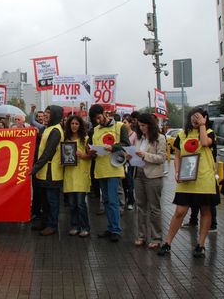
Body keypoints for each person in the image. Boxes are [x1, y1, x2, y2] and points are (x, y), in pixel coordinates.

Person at [158, 108, 219, 258]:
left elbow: (204, 142)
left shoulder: (209, 132)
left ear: (204, 118)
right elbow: (178, 156)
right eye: (193, 116)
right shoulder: (182, 135)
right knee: (180, 211)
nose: (194, 119)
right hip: (186, 179)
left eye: (198, 117)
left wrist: (202, 125)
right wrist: (177, 172)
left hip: (204, 179)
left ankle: (201, 245)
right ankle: (167, 243)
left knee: (205, 211)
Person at [88, 104, 130, 243]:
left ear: (105, 113)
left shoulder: (119, 126)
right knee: (106, 201)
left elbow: (126, 144)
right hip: (100, 169)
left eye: (99, 117)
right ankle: (110, 227)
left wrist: (113, 147)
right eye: (95, 119)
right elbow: (91, 147)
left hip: (113, 168)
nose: (98, 121)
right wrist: (91, 152)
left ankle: (116, 230)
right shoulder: (95, 130)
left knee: (113, 200)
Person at [130, 113, 166, 249]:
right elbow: (136, 154)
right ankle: (141, 236)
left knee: (154, 208)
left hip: (153, 176)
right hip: (138, 173)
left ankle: (156, 237)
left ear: (150, 125)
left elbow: (161, 158)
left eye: (144, 125)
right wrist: (130, 156)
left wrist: (145, 155)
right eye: (139, 126)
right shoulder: (139, 139)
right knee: (140, 207)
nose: (141, 128)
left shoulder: (160, 138)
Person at [32, 105, 64, 236]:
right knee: (44, 199)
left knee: (52, 201)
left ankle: (52, 225)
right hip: (44, 171)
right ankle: (44, 221)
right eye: (45, 112)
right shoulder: (48, 128)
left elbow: (48, 153)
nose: (45, 115)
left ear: (55, 115)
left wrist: (34, 168)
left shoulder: (55, 131)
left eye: (49, 113)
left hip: (52, 172)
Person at [62, 115, 91, 237]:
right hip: (69, 174)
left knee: (80, 204)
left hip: (81, 174)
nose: (74, 126)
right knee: (72, 204)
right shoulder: (65, 139)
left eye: (76, 124)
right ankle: (74, 226)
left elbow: (92, 155)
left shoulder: (86, 139)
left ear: (80, 125)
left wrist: (83, 155)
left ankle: (85, 227)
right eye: (72, 123)